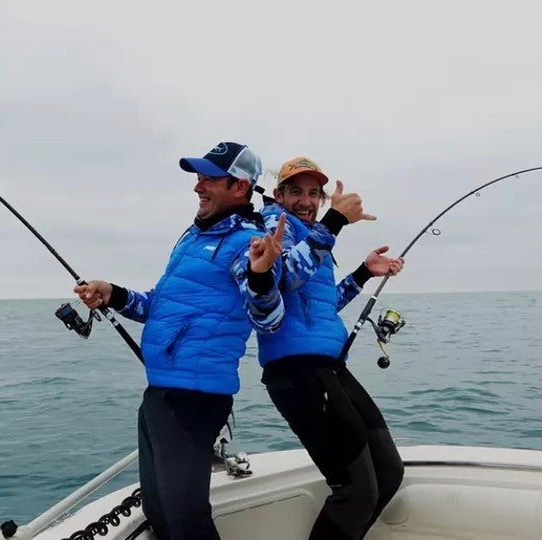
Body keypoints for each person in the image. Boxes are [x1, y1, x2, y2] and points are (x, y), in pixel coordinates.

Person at [75, 142, 286, 540]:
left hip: (195, 397)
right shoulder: (192, 237)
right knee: (159, 512)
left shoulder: (247, 243)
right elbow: (158, 306)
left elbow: (269, 320)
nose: (197, 186)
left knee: (186, 522)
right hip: (160, 393)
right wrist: (113, 294)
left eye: (209, 179)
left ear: (239, 187)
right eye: (198, 177)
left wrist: (261, 277)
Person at [257, 156, 405, 540]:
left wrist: (363, 273)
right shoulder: (274, 224)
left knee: (388, 472)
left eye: (313, 194)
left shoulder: (312, 237)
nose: (305, 201)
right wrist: (335, 220)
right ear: (279, 195)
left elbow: (323, 304)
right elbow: (284, 278)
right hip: (297, 372)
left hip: (330, 368)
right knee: (356, 492)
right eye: (295, 191)